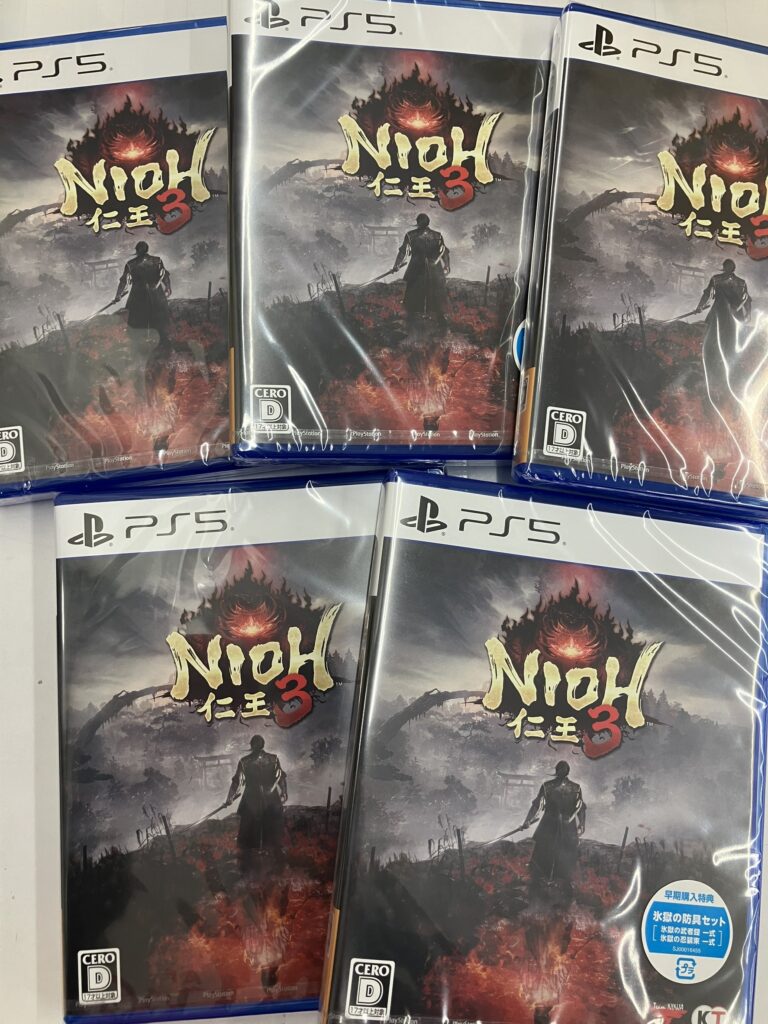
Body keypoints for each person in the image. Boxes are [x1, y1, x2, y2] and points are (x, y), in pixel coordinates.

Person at [522, 761, 586, 897]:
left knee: (566, 858)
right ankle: (538, 889)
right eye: (560, 769)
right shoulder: (548, 786)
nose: (562, 771)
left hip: (566, 826)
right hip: (549, 825)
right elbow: (537, 805)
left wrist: (582, 823)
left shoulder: (575, 788)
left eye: (563, 769)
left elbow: (580, 807)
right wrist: (527, 820)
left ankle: (564, 889)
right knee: (542, 857)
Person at [226, 735, 287, 859]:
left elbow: (280, 777)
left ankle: (271, 854)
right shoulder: (245, 761)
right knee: (250, 828)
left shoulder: (272, 759)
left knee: (271, 826)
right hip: (253, 798)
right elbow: (237, 781)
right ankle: (250, 856)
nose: (257, 746)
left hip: (269, 798)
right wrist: (230, 797)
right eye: (256, 744)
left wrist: (284, 791)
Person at [393, 213, 450, 329]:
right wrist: (447, 265)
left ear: (418, 222)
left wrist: (397, 265)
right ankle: (417, 321)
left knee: (432, 294)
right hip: (425, 268)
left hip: (424, 268)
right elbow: (444, 252)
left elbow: (443, 251)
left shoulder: (412, 235)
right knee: (419, 293)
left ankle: (436, 320)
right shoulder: (436, 235)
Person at [113, 240, 172, 342]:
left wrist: (118, 295)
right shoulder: (157, 261)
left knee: (138, 322)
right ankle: (161, 342)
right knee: (158, 320)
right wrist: (168, 287)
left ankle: (144, 343)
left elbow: (123, 282)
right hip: (155, 294)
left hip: (138, 295)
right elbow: (164, 276)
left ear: (136, 250)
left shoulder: (131, 264)